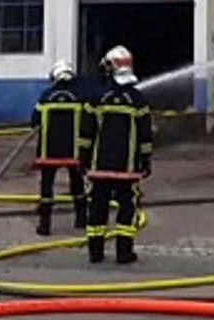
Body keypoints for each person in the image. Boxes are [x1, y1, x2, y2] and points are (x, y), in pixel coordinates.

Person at [79, 45, 152, 265]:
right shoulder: (138, 99)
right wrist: (146, 160)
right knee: (127, 207)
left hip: (99, 166)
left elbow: (86, 132)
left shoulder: (96, 97)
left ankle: (95, 252)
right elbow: (145, 135)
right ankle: (124, 252)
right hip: (127, 167)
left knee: (97, 207)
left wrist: (83, 159)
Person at [30, 59, 90, 236]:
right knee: (77, 185)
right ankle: (81, 219)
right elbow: (88, 124)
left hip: (48, 152)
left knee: (47, 188)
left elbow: (34, 122)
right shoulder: (80, 97)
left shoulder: (46, 96)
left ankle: (45, 225)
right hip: (74, 151)